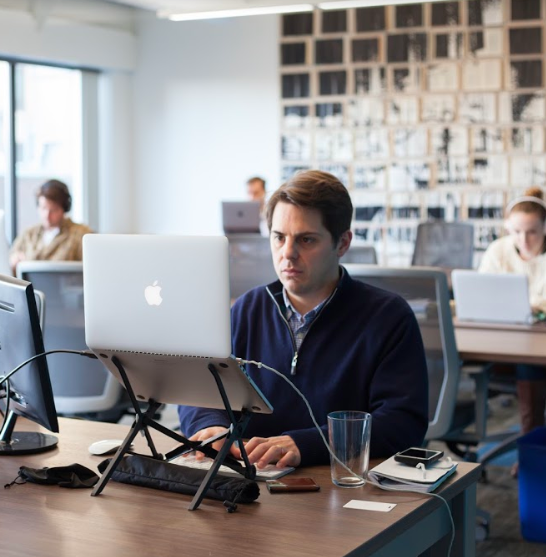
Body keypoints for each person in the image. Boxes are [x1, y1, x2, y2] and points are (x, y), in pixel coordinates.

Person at [179, 170, 429, 469]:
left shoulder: (388, 317)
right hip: (249, 477)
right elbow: (199, 389)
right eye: (279, 237)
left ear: (342, 243)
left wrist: (306, 444)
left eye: (306, 240)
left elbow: (402, 423)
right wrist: (210, 425)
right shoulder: (248, 308)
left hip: (338, 481)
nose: (288, 253)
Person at [478, 186, 546, 439]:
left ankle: (531, 440)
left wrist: (524, 303)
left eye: (532, 232)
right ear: (507, 227)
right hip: (500, 338)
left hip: (544, 341)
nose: (524, 240)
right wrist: (531, 303)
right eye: (516, 232)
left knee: (529, 362)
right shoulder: (497, 250)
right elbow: (480, 294)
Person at [9, 179, 92, 273]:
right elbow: (9, 260)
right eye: (43, 208)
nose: (47, 215)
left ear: (64, 209)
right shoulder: (29, 234)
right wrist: (14, 260)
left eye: (53, 210)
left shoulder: (81, 235)